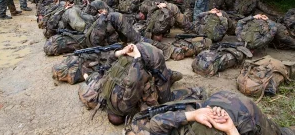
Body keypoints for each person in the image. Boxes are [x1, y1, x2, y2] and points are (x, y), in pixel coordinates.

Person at [125, 91, 295, 135]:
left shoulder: (144, 127)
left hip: (220, 108)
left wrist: (193, 115)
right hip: (234, 118)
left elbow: (155, 124)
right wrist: (231, 130)